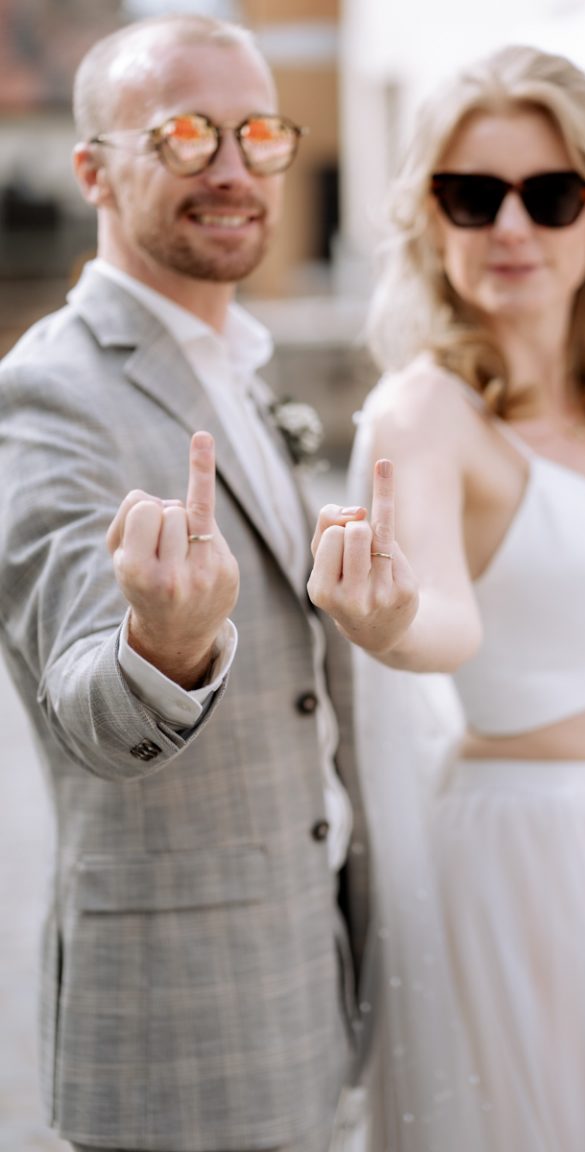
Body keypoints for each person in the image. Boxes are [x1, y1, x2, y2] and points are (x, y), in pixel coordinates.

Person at [308, 44, 585, 1151]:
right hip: (535, 862)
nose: (512, 227)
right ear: (431, 220)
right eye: (473, 197)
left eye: (550, 196)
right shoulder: (426, 414)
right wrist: (390, 623)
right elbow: (448, 614)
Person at [0, 14, 368, 1152]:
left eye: (255, 133)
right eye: (185, 135)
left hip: (307, 972)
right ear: (92, 169)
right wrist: (163, 646)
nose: (231, 167)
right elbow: (84, 705)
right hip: (178, 1021)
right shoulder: (48, 394)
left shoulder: (239, 365)